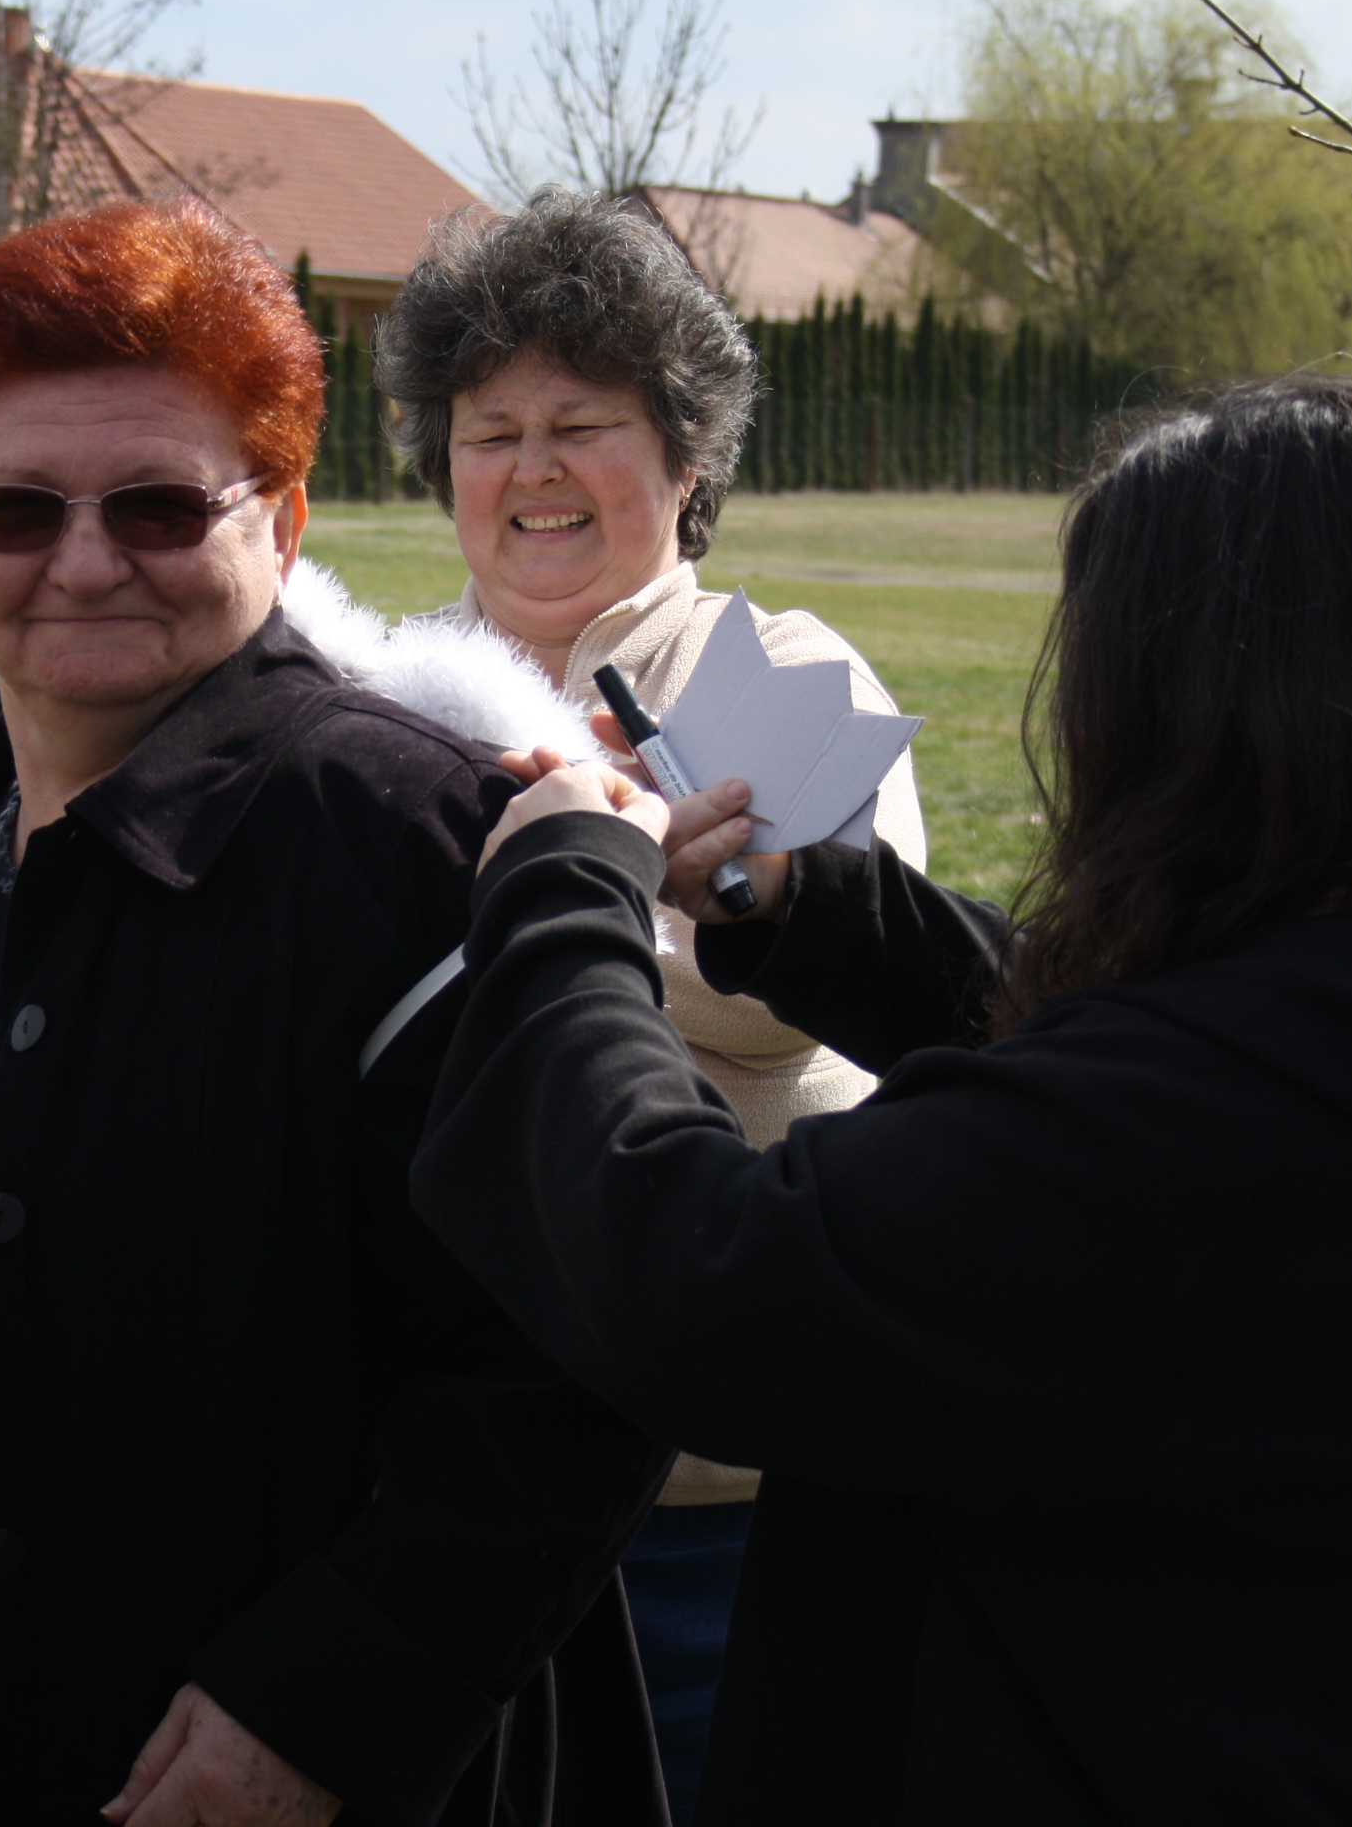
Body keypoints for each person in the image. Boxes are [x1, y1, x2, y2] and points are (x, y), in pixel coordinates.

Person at [413, 376, 1352, 1823]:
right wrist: (798, 905)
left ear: (1172, 707)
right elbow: (1161, 1025)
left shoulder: (1177, 1132)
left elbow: (692, 1274)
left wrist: (561, 896)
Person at [0, 198, 673, 1827]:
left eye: (158, 506)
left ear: (282, 526)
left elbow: (592, 1338)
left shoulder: (423, 848)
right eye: (15, 509)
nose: (83, 562)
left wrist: (340, 1693)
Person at [375, 184, 927, 1807]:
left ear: (687, 460)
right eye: (491, 432)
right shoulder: (379, 691)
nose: (532, 470)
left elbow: (796, 999)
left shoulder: (780, 674)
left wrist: (562, 909)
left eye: (583, 426)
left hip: (702, 1505)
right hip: (428, 1490)